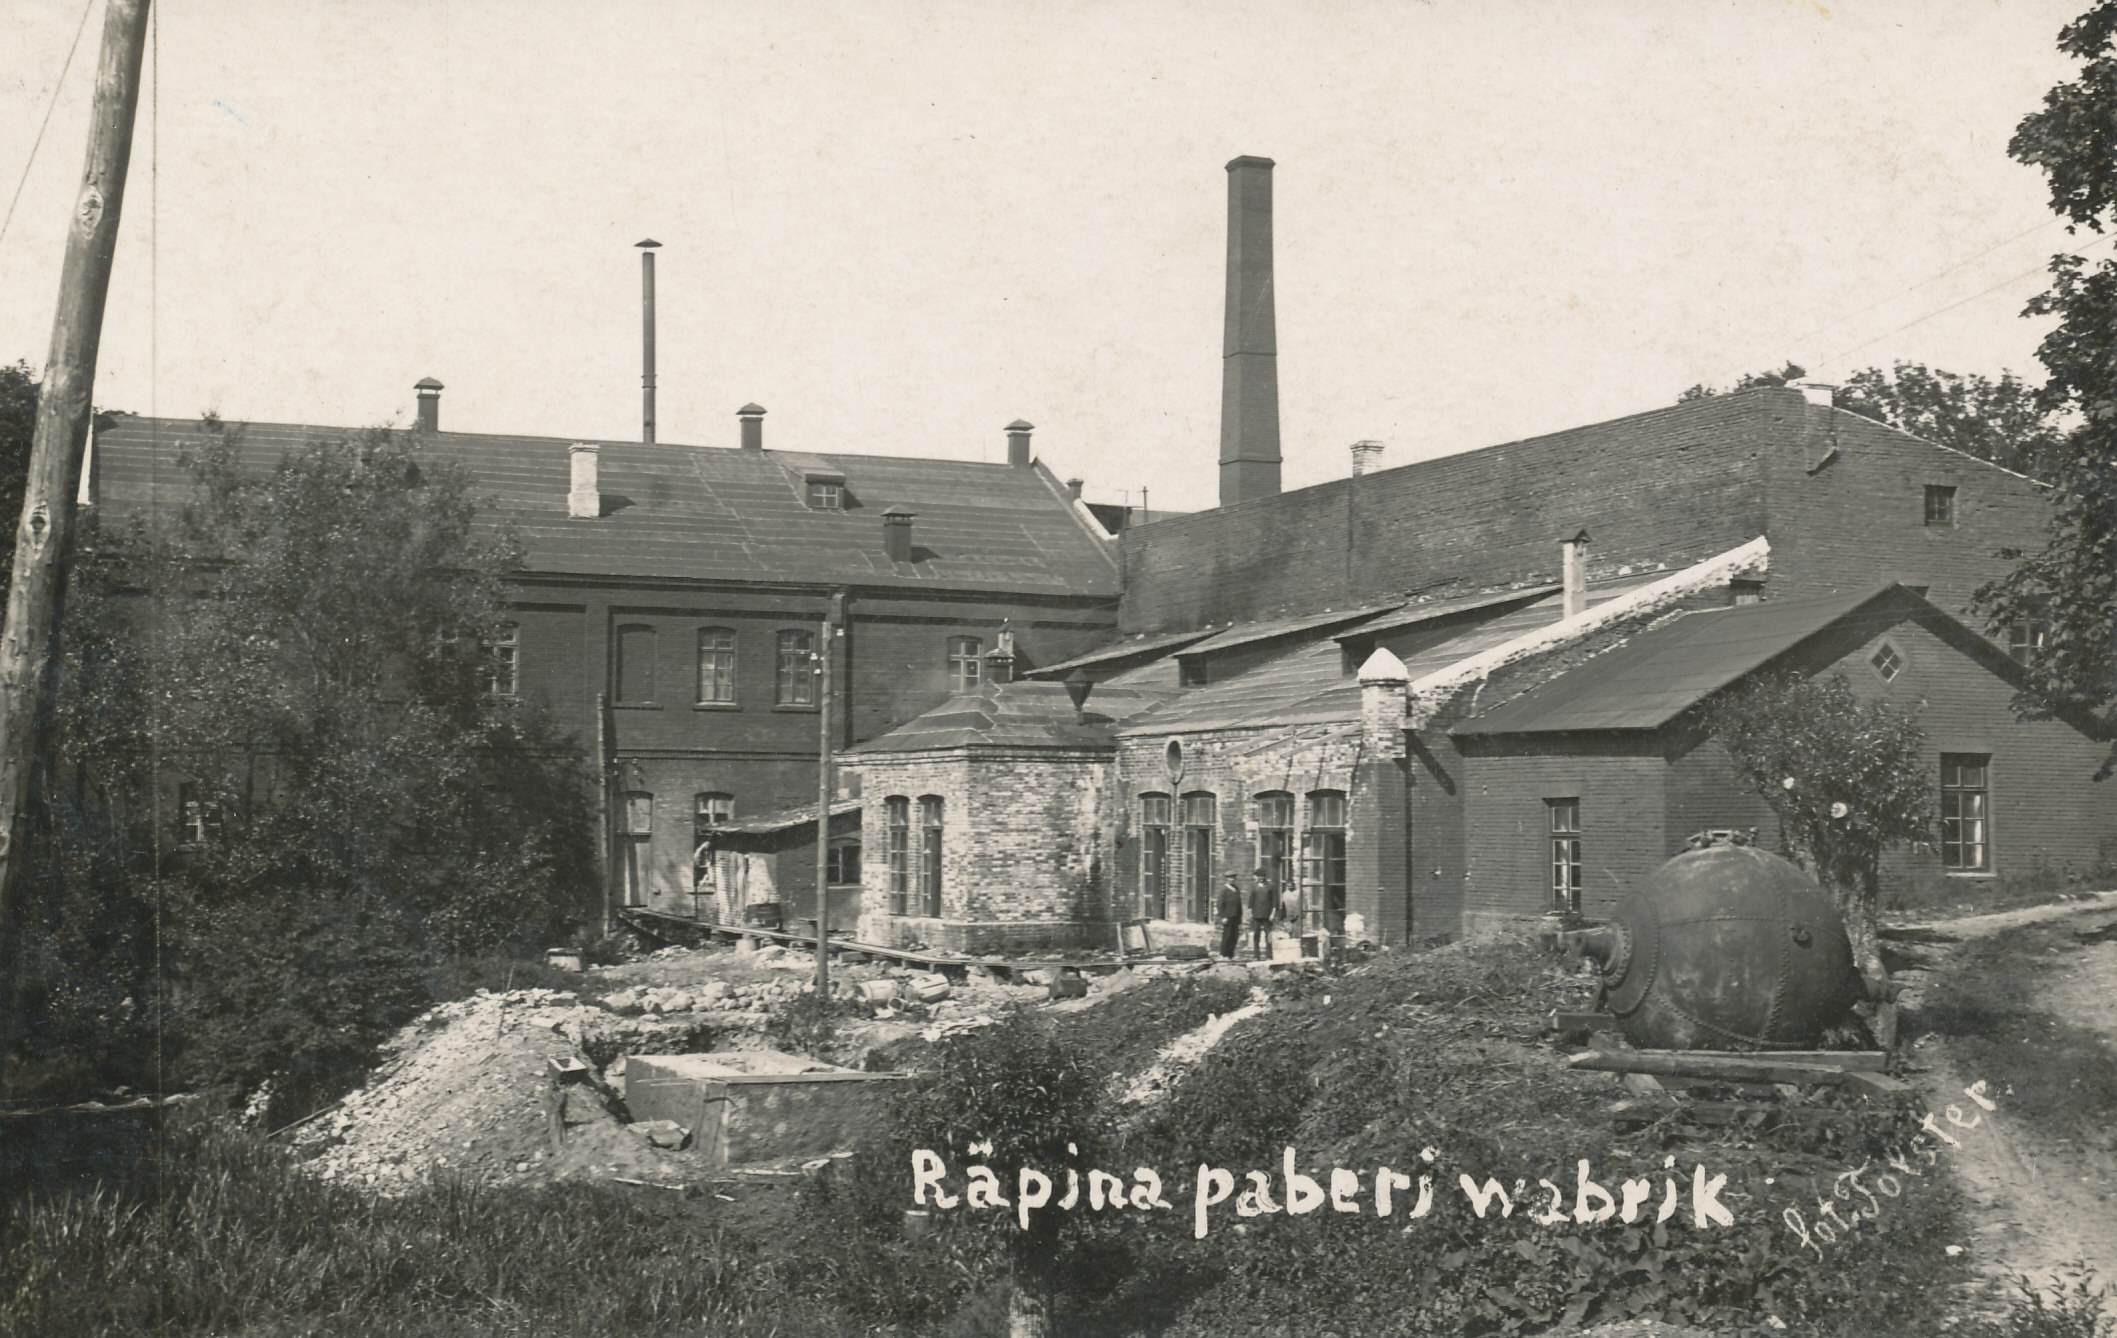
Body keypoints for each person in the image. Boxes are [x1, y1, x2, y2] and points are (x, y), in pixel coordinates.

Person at [1248, 866, 1275, 958]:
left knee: (1268, 935)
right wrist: (1251, 913)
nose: (1260, 878)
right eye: (1259, 876)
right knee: (1256, 935)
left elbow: (1275, 901)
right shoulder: (1254, 886)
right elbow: (1251, 901)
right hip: (1256, 914)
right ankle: (1256, 955)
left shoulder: (1270, 886)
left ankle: (1269, 955)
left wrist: (1273, 913)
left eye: (1262, 876)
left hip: (1267, 915)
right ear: (1257, 877)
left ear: (1265, 876)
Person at [1216, 873, 1243, 959]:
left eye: (1233, 878)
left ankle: (1231, 954)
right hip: (1227, 916)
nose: (1232, 880)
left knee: (1234, 936)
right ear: (1226, 879)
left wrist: (1240, 916)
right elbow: (1220, 904)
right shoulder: (1224, 890)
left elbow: (1239, 904)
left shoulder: (1236, 889)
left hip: (1236, 916)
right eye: (1230, 878)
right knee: (1227, 935)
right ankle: (1224, 954)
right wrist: (1223, 916)